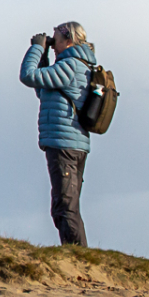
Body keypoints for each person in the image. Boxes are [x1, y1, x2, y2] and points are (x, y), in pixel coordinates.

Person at [19, 21, 97, 246]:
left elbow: (28, 76)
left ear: (69, 40)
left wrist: (35, 48)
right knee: (63, 206)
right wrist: (43, 55)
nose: (53, 45)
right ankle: (75, 254)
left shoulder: (71, 65)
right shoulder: (75, 65)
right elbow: (43, 89)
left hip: (64, 143)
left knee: (65, 207)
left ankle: (78, 260)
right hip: (70, 142)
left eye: (56, 40)